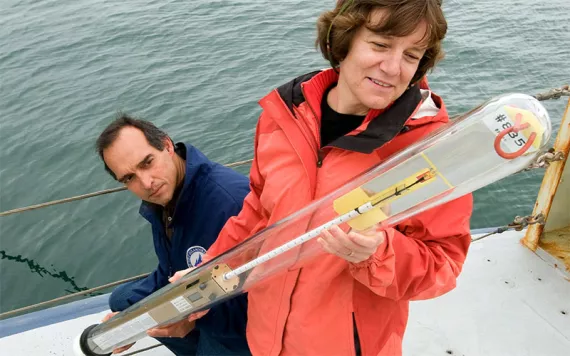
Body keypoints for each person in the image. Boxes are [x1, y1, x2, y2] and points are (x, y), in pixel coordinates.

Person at [191, 1, 473, 355]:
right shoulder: (283, 118)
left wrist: (378, 253)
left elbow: (443, 264)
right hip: (266, 334)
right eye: (380, 45)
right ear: (343, 40)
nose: (392, 68)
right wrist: (205, 279)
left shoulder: (430, 151)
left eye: (411, 55)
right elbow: (258, 215)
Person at [95, 115, 251, 355]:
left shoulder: (230, 202)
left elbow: (265, 298)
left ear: (167, 145)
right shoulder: (165, 195)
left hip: (242, 327)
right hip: (200, 294)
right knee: (122, 302)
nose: (146, 183)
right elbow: (172, 267)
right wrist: (132, 322)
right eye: (129, 178)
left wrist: (189, 320)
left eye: (147, 163)